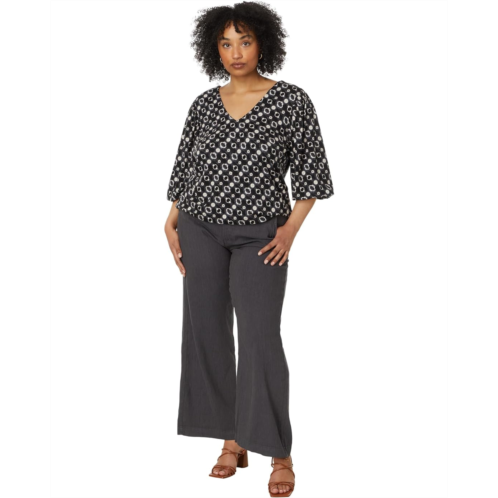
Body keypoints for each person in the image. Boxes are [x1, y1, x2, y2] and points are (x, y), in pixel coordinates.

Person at [164, 3, 334, 496]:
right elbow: (186, 166)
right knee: (207, 334)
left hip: (262, 235)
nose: (235, 52)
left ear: (263, 43)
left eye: (244, 41)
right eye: (225, 43)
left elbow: (311, 173)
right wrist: (172, 217)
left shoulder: (291, 101)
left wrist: (290, 230)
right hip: (199, 228)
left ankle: (279, 453)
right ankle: (232, 440)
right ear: (213, 50)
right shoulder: (204, 103)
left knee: (260, 337)